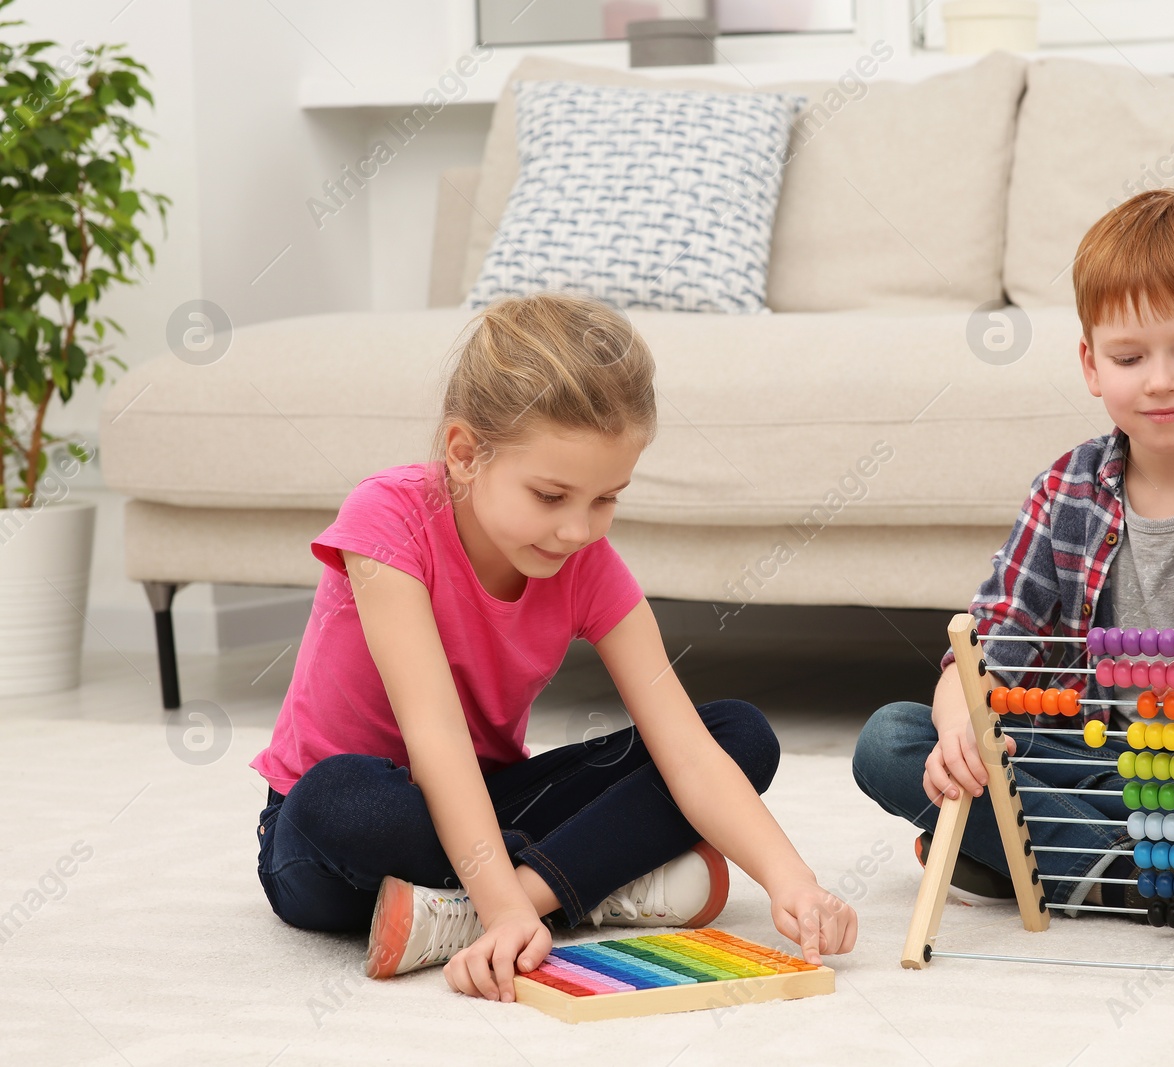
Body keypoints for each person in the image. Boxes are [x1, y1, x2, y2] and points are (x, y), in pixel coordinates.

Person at [251, 292, 856, 1003]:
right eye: (550, 496)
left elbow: (688, 750)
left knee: (739, 735)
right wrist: (504, 905)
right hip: (343, 837)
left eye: (606, 500)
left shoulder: (586, 563)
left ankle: (493, 902)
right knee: (340, 800)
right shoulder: (388, 518)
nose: (578, 530)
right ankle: (568, 888)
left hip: (490, 804)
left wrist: (792, 880)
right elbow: (435, 736)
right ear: (465, 452)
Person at [852, 188, 1174, 917]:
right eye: (1129, 357)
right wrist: (959, 729)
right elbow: (984, 651)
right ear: (1092, 365)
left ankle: (1036, 857)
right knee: (892, 739)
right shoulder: (1065, 490)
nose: (1160, 379)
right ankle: (1139, 873)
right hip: (1082, 760)